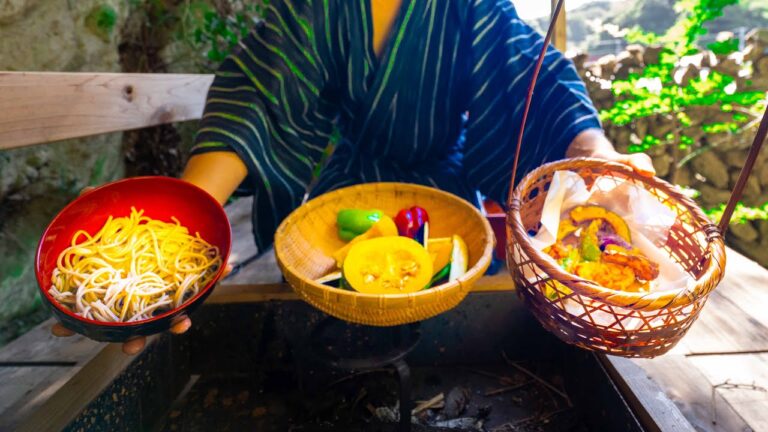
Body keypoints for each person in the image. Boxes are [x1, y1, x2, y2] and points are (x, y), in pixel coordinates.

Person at [53, 0, 654, 354]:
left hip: (445, 201)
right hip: (352, 188)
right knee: (332, 322)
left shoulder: (471, 8)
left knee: (458, 334)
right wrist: (171, 236)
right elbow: (258, 91)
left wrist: (595, 158)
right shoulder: (315, 9)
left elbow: (532, 71)